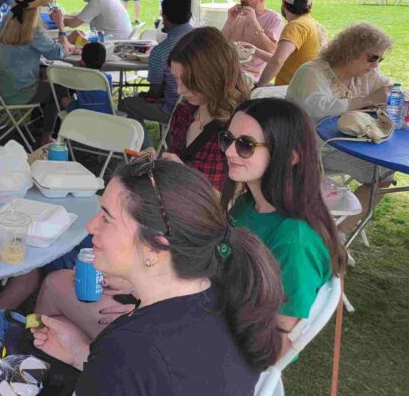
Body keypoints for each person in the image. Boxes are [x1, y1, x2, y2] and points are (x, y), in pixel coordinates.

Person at [0, 158, 283, 396]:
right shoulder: (225, 298)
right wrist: (84, 353)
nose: (91, 227)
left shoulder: (134, 346)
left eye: (107, 218)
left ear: (156, 246)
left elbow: (140, 370)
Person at [222, 98, 347, 351]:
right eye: (227, 138)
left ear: (291, 156)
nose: (228, 151)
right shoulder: (248, 204)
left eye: (245, 144)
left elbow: (279, 341)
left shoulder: (295, 241)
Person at [286, 23, 395, 225]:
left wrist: (395, 94)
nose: (376, 65)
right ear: (350, 52)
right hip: (309, 149)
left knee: (385, 173)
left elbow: (393, 88)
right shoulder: (312, 72)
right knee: (382, 173)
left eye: (380, 59)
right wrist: (367, 99)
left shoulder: (366, 75)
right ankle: (337, 234)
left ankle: (341, 232)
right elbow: (318, 107)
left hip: (344, 143)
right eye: (372, 58)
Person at [161, 27, 249, 191]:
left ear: (215, 77)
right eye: (176, 79)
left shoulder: (240, 130)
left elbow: (235, 205)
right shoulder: (184, 114)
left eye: (189, 82)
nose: (179, 90)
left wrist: (186, 177)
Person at [0, 0, 71, 145]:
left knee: (48, 80)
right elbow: (58, 53)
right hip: (19, 92)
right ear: (36, 7)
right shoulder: (33, 30)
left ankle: (49, 123)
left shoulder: (8, 18)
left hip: (1, 88)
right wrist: (61, 26)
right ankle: (51, 133)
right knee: (57, 88)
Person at [118, 0, 194, 128]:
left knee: (125, 104)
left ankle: (143, 146)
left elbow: (155, 92)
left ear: (164, 17)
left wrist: (146, 95)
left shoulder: (160, 52)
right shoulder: (203, 40)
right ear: (189, 15)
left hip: (174, 110)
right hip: (202, 108)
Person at [254, 0, 327, 87]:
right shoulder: (313, 24)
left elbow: (278, 60)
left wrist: (258, 87)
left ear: (283, 4)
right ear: (310, 5)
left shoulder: (295, 26)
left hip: (290, 92)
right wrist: (254, 51)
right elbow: (282, 59)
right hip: (305, 89)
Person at [221, 0, 283, 82]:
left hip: (250, 75)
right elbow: (220, 43)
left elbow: (272, 50)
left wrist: (254, 23)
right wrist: (229, 20)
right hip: (227, 69)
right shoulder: (238, 15)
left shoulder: (274, 19)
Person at [61, 0, 131, 40]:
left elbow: (74, 23)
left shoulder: (98, 0)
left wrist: (57, 20)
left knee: (74, 37)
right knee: (78, 34)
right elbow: (81, 16)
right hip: (119, 38)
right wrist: (62, 16)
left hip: (112, 41)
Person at [63, 42, 113, 115]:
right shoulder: (107, 78)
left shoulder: (78, 76)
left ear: (82, 61)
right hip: (105, 115)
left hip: (82, 113)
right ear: (104, 62)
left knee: (64, 100)